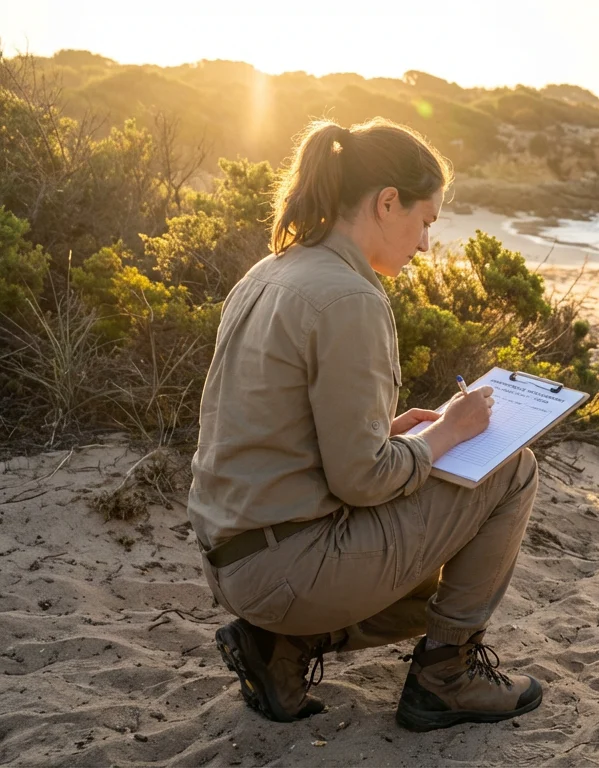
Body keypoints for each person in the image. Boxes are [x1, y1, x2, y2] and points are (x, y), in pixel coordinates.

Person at [187, 117, 543, 732]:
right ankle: (446, 677)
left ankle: (281, 651)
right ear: (386, 203)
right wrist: (447, 433)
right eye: (425, 221)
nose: (427, 243)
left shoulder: (272, 270)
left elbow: (289, 435)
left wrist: (397, 433)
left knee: (438, 570)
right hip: (286, 570)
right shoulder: (349, 298)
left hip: (233, 558)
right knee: (513, 468)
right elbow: (362, 481)